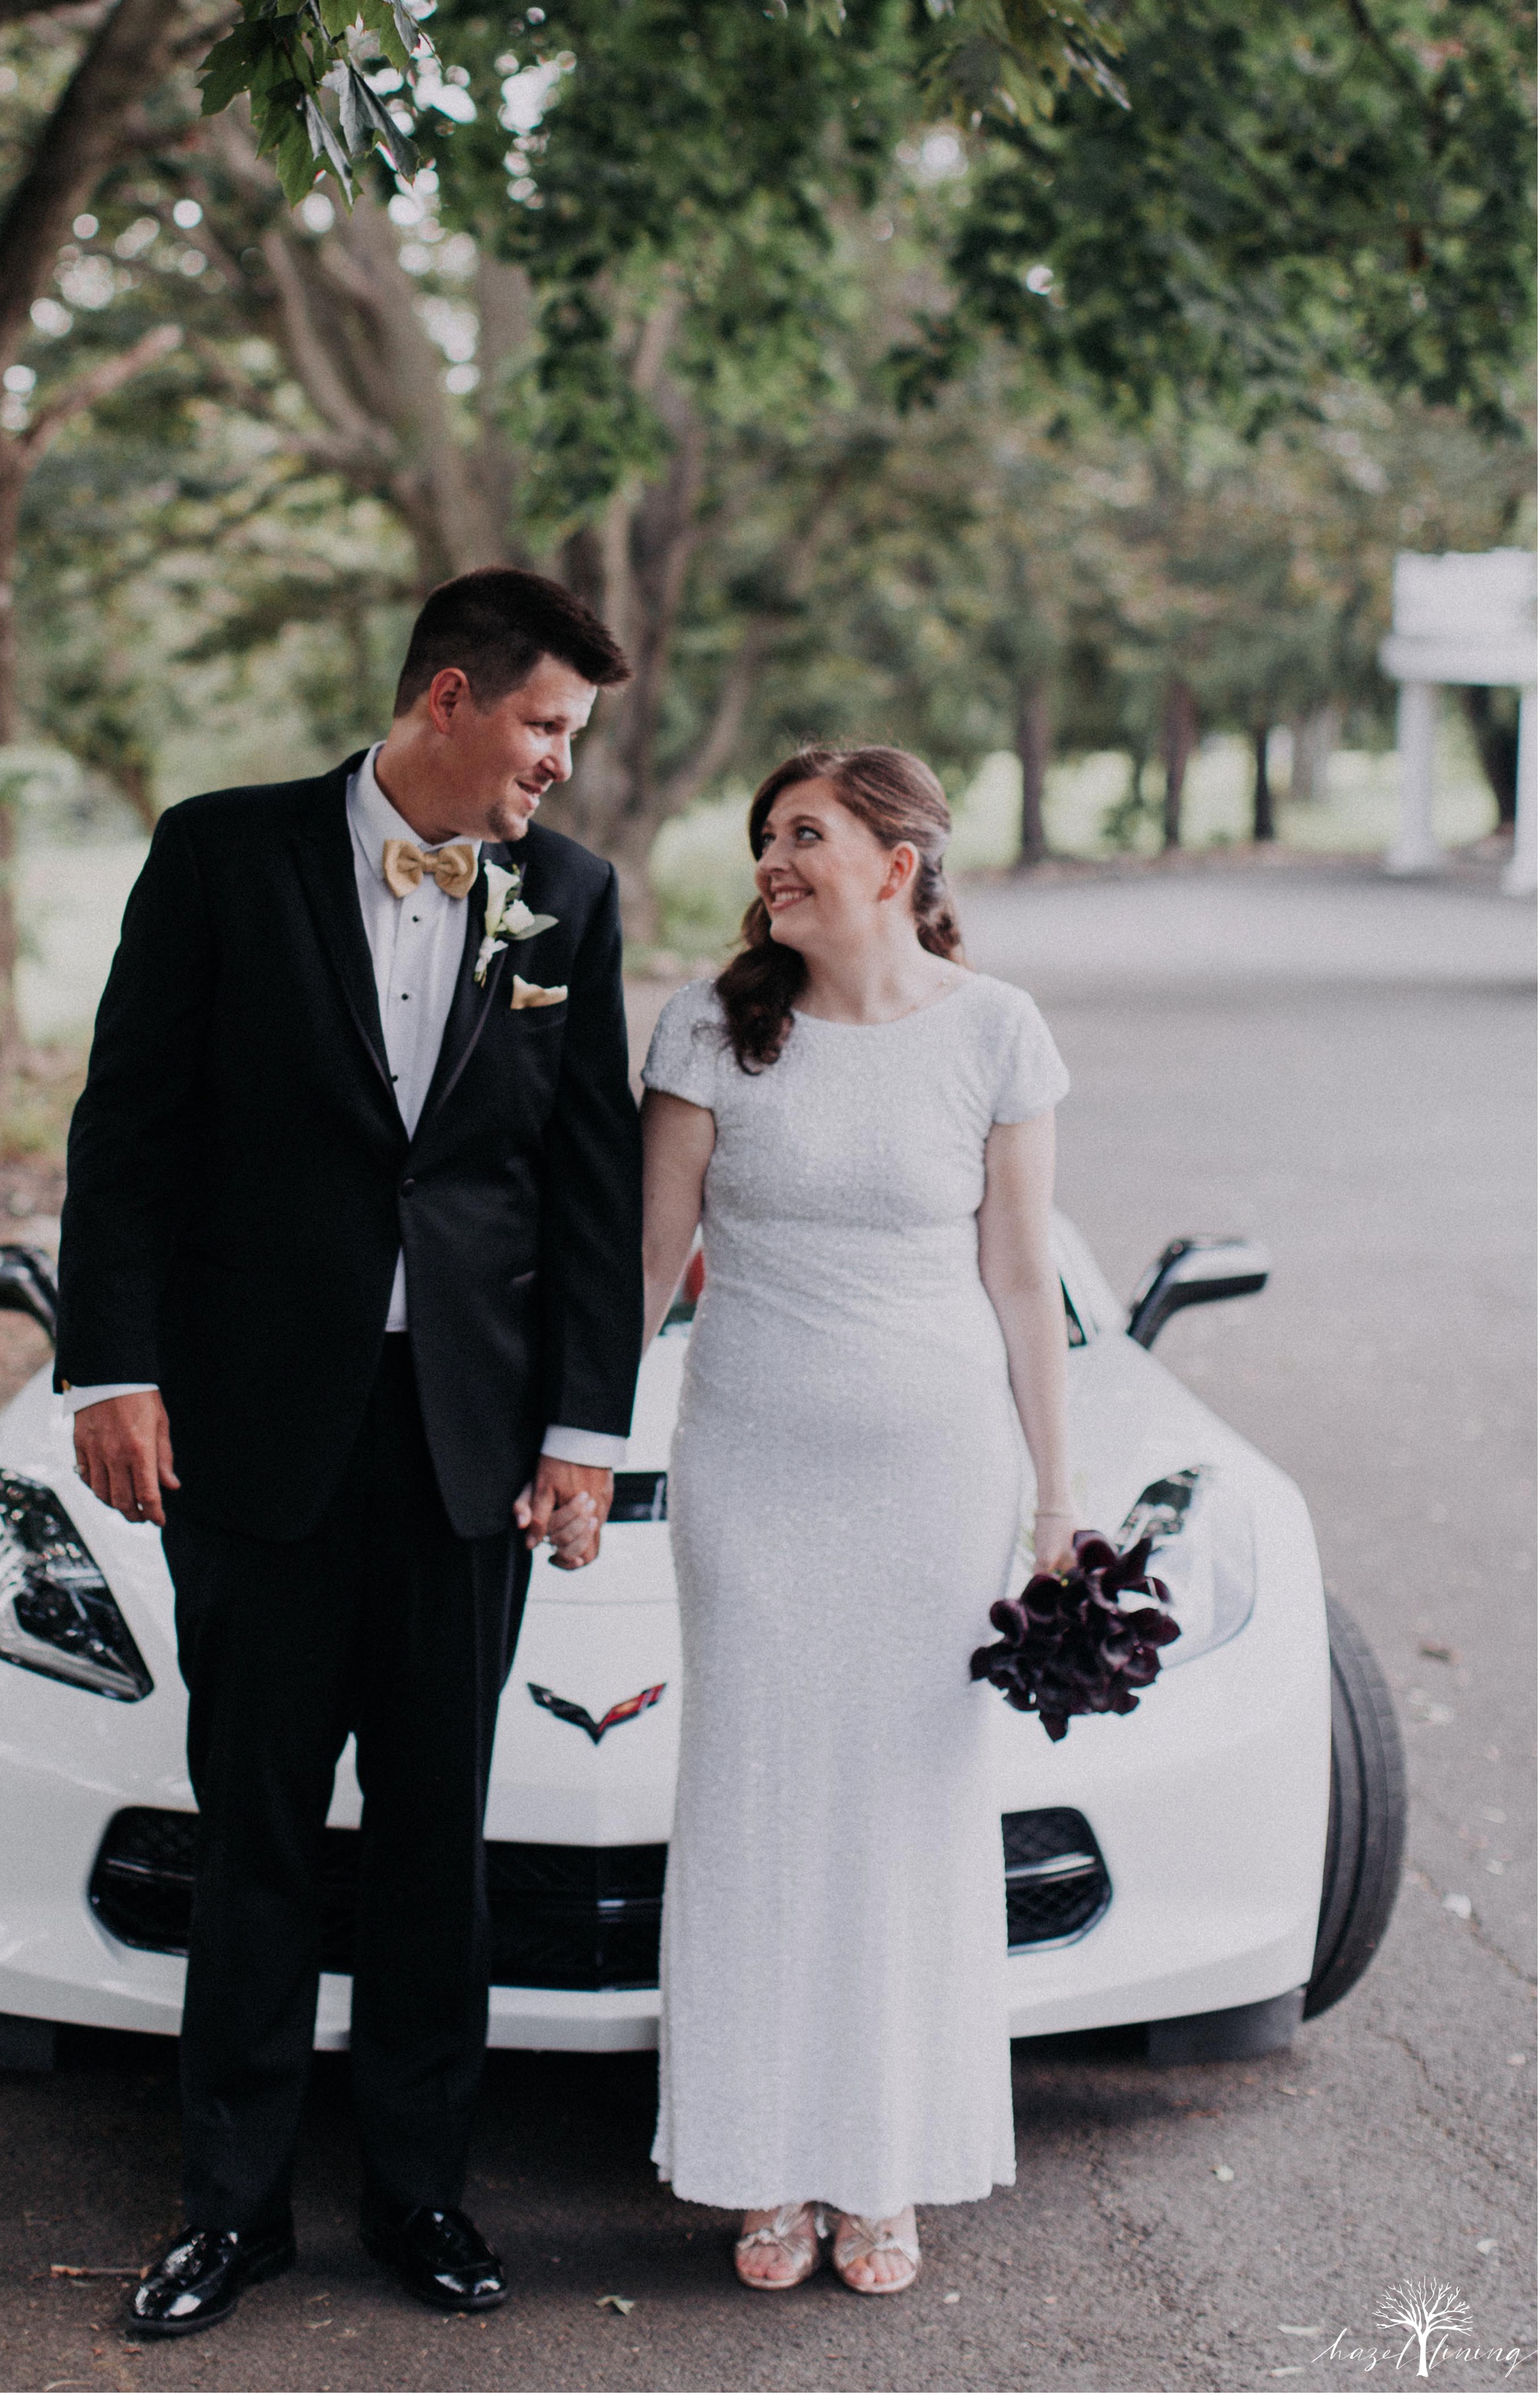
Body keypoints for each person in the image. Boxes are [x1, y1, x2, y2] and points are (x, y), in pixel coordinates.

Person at [54, 567, 644, 2339]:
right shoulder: (221, 853)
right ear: (447, 697)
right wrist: (112, 1364)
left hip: (465, 1441)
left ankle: (421, 2192)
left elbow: (589, 1180)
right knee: (251, 1828)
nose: (557, 762)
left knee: (430, 1837)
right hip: (251, 1430)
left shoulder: (568, 898)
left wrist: (581, 1431)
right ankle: (227, 2212)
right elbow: (127, 1124)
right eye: (544, 723)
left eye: (573, 736)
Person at [637, 746, 1074, 2296]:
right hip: (748, 1472)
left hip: (932, 1484)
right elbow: (646, 1265)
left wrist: (1053, 1503)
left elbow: (1022, 1280)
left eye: (803, 832)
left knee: (903, 1815)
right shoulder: (707, 1024)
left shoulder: (995, 1032)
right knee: (757, 1806)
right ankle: (757, 2164)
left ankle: (882, 2166)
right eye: (764, 833)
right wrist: (576, 1447)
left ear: (898, 860)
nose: (771, 855)